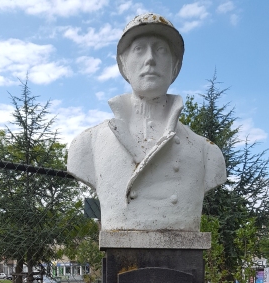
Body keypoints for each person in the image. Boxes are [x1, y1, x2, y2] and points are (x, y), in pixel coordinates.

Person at [67, 13, 226, 231]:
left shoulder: (207, 153)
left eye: (161, 50)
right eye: (139, 49)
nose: (150, 59)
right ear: (123, 65)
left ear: (175, 67)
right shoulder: (87, 145)